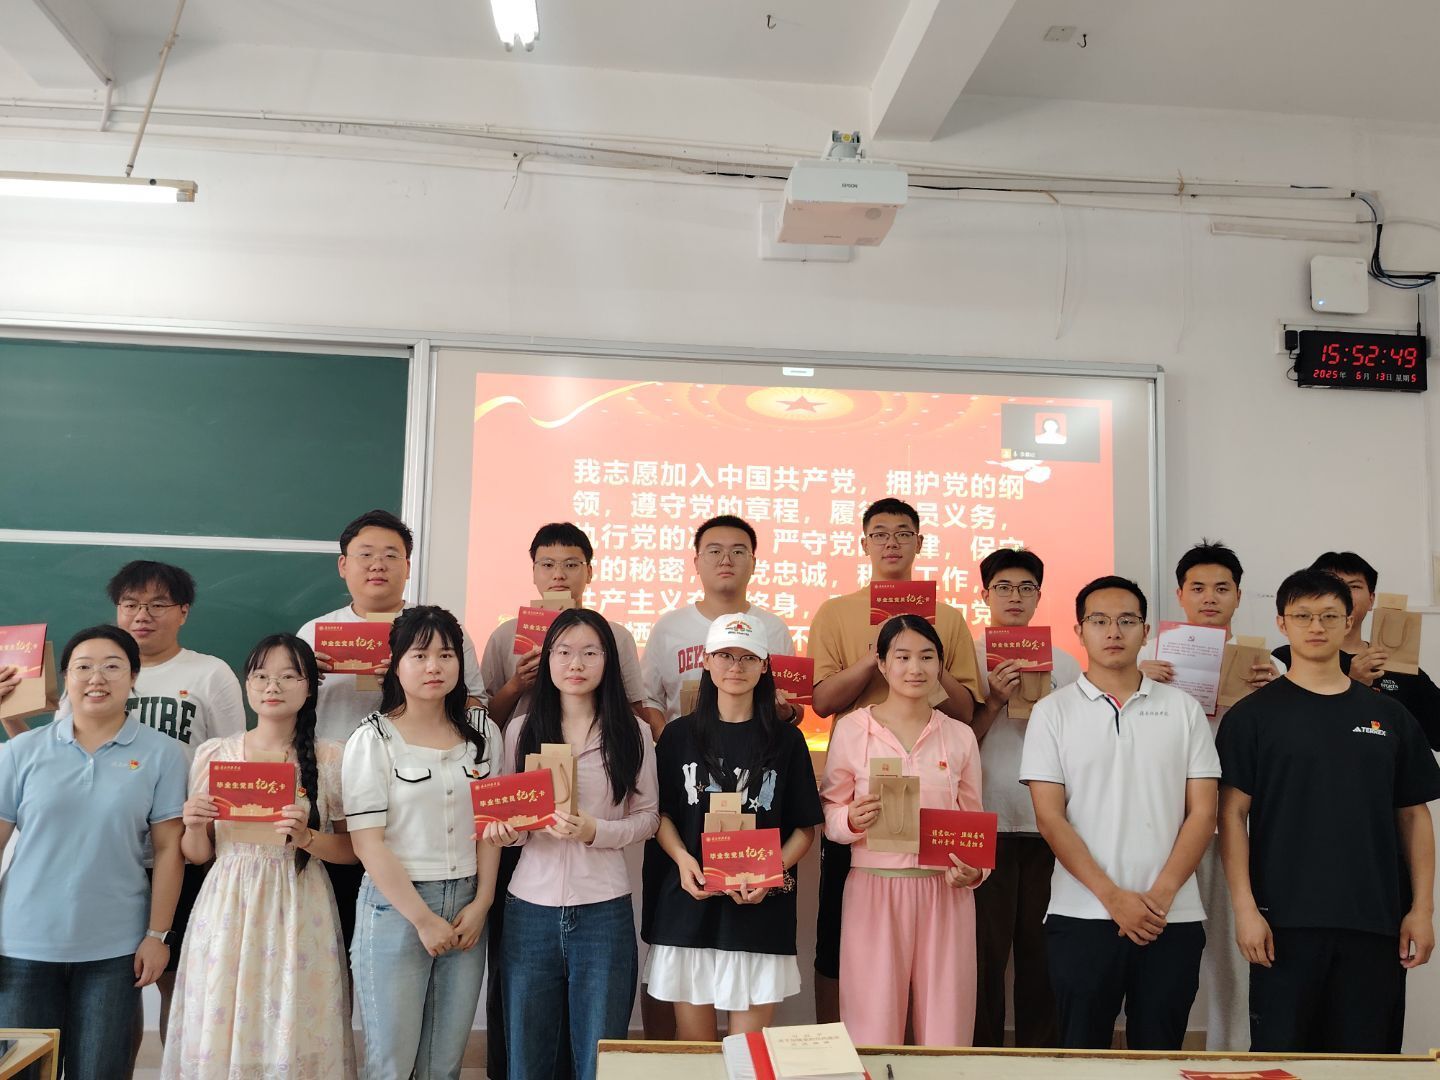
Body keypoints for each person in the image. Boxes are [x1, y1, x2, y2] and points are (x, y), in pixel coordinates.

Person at [2, 560, 247, 1052]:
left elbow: (233, 756)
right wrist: (8, 715)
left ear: (182, 612)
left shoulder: (205, 679)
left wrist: (203, 840)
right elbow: (53, 758)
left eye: (157, 604)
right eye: (131, 604)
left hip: (178, 851)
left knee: (172, 988)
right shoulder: (79, 688)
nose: (142, 614)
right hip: (80, 869)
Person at [1218, 568, 1440, 1053]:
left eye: (1328, 616)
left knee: (1367, 1063)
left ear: (1348, 622)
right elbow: (1232, 816)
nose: (1316, 626)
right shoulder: (1252, 716)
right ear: (1282, 623)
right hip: (1282, 925)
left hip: (1375, 921)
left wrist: (1422, 910)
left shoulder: (1390, 716)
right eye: (1302, 616)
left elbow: (1414, 815)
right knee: (1284, 1060)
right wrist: (1245, 909)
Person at [478, 521, 656, 1077]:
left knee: (598, 1056)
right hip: (528, 907)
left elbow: (648, 818)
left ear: (609, 661)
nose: (575, 664)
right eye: (563, 652)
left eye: (589, 653)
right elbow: (502, 818)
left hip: (604, 908)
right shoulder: (520, 730)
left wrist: (596, 831)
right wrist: (506, 830)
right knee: (527, 1055)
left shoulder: (634, 734)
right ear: (547, 659)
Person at [1019, 576, 1219, 1050]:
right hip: (1081, 914)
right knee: (1082, 1054)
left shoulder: (1184, 709)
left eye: (1127, 620)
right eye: (1099, 620)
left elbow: (1203, 812)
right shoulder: (1052, 712)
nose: (1113, 631)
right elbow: (1050, 818)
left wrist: (1159, 897)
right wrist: (1112, 898)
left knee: (1160, 1053)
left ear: (1146, 631)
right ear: (1079, 630)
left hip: (1171, 916)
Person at [806, 496, 983, 1023]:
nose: (891, 542)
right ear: (863, 543)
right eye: (879, 533)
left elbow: (967, 709)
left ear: (919, 543)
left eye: (903, 533)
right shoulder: (836, 612)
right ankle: (842, 1045)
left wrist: (922, 644)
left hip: (939, 876)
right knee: (849, 960)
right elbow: (821, 702)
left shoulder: (949, 619)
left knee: (943, 1004)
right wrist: (878, 652)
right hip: (870, 838)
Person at [162, 634, 357, 1078]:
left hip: (299, 901)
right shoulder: (216, 753)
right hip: (227, 901)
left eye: (289, 676)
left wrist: (306, 838)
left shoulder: (331, 757)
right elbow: (198, 854)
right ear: (247, 685)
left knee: (294, 1016)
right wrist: (193, 825)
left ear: (309, 687)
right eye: (261, 676)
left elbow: (352, 852)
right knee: (223, 1010)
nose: (273, 686)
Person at [0, 625, 188, 1078]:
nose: (96, 678)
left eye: (112, 666)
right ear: (65, 677)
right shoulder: (21, 751)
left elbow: (169, 850)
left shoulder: (163, 754)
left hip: (115, 950)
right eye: (83, 667)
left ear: (134, 676)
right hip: (21, 945)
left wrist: (157, 936)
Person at [298, 509, 487, 954]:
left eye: (390, 555)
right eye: (365, 554)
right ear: (344, 565)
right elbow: (285, 719)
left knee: (409, 934)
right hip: (333, 803)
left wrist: (408, 682)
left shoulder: (439, 633)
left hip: (416, 808)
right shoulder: (314, 633)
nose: (377, 564)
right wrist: (303, 685)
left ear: (408, 565)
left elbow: (476, 706)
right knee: (334, 934)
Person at [638, 514, 797, 1040]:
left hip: (759, 907)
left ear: (765, 666)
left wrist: (770, 872)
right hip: (693, 902)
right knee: (696, 1054)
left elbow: (806, 825)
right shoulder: (678, 736)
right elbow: (660, 814)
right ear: (705, 662)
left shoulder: (786, 739)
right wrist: (684, 862)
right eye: (725, 656)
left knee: (750, 1055)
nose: (736, 666)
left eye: (748, 657)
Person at [344, 606, 503, 1080]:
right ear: (396, 665)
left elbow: (490, 826)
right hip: (397, 908)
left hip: (468, 905)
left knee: (443, 1063)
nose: (434, 666)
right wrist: (423, 919)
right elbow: (367, 844)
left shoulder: (484, 734)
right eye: (420, 655)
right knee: (392, 1064)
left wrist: (483, 903)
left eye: (446, 655)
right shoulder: (373, 739)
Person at [1138, 540, 1283, 1051]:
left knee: (1234, 949)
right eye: (1197, 588)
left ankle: (1232, 1055)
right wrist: (1136, 682)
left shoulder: (1268, 665)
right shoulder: (1143, 658)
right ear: (1179, 595)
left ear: (1239, 596)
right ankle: (1155, 1055)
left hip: (1236, 826)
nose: (1209, 598)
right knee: (1157, 945)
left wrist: (1276, 695)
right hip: (1165, 825)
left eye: (1222, 588)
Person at [820, 614, 986, 1046]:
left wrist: (975, 872)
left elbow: (974, 823)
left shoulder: (960, 736)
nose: (915, 668)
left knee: (947, 1026)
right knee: (871, 1023)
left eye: (927, 657)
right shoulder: (853, 729)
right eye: (903, 656)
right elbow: (830, 810)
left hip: (946, 894)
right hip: (873, 889)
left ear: (940, 665)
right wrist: (850, 819)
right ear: (881, 663)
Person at [969, 547, 1081, 1048]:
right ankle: (983, 1055)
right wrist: (994, 698)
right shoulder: (965, 655)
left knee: (1043, 954)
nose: (1014, 597)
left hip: (1047, 823)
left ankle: (1041, 1055)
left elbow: (1083, 742)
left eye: (1025, 588)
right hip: (983, 820)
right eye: (1003, 588)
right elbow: (956, 738)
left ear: (1038, 596)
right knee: (983, 956)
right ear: (985, 594)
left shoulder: (1066, 662)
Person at [1270, 552, 1440, 750]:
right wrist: (1351, 686)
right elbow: (1282, 731)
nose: (1344, 593)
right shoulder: (1287, 659)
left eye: (1354, 586)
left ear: (1371, 599)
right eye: (1333, 584)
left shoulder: (1399, 665)